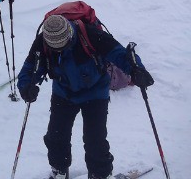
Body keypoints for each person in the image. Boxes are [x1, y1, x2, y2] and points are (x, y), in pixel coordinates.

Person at [17, 14, 155, 179]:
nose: (59, 50)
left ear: (70, 35)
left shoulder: (91, 35)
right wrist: (26, 86)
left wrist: (136, 70)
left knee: (95, 140)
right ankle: (59, 170)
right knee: (56, 136)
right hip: (64, 93)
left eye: (63, 46)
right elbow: (30, 67)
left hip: (95, 93)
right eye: (56, 49)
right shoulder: (43, 41)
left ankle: (99, 174)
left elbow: (120, 54)